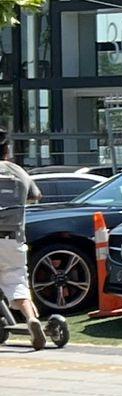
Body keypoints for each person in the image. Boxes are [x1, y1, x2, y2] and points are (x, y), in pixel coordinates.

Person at [0, 133, 46, 350]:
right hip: (13, 239)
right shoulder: (19, 171)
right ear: (7, 152)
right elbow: (36, 195)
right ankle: (30, 319)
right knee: (18, 283)